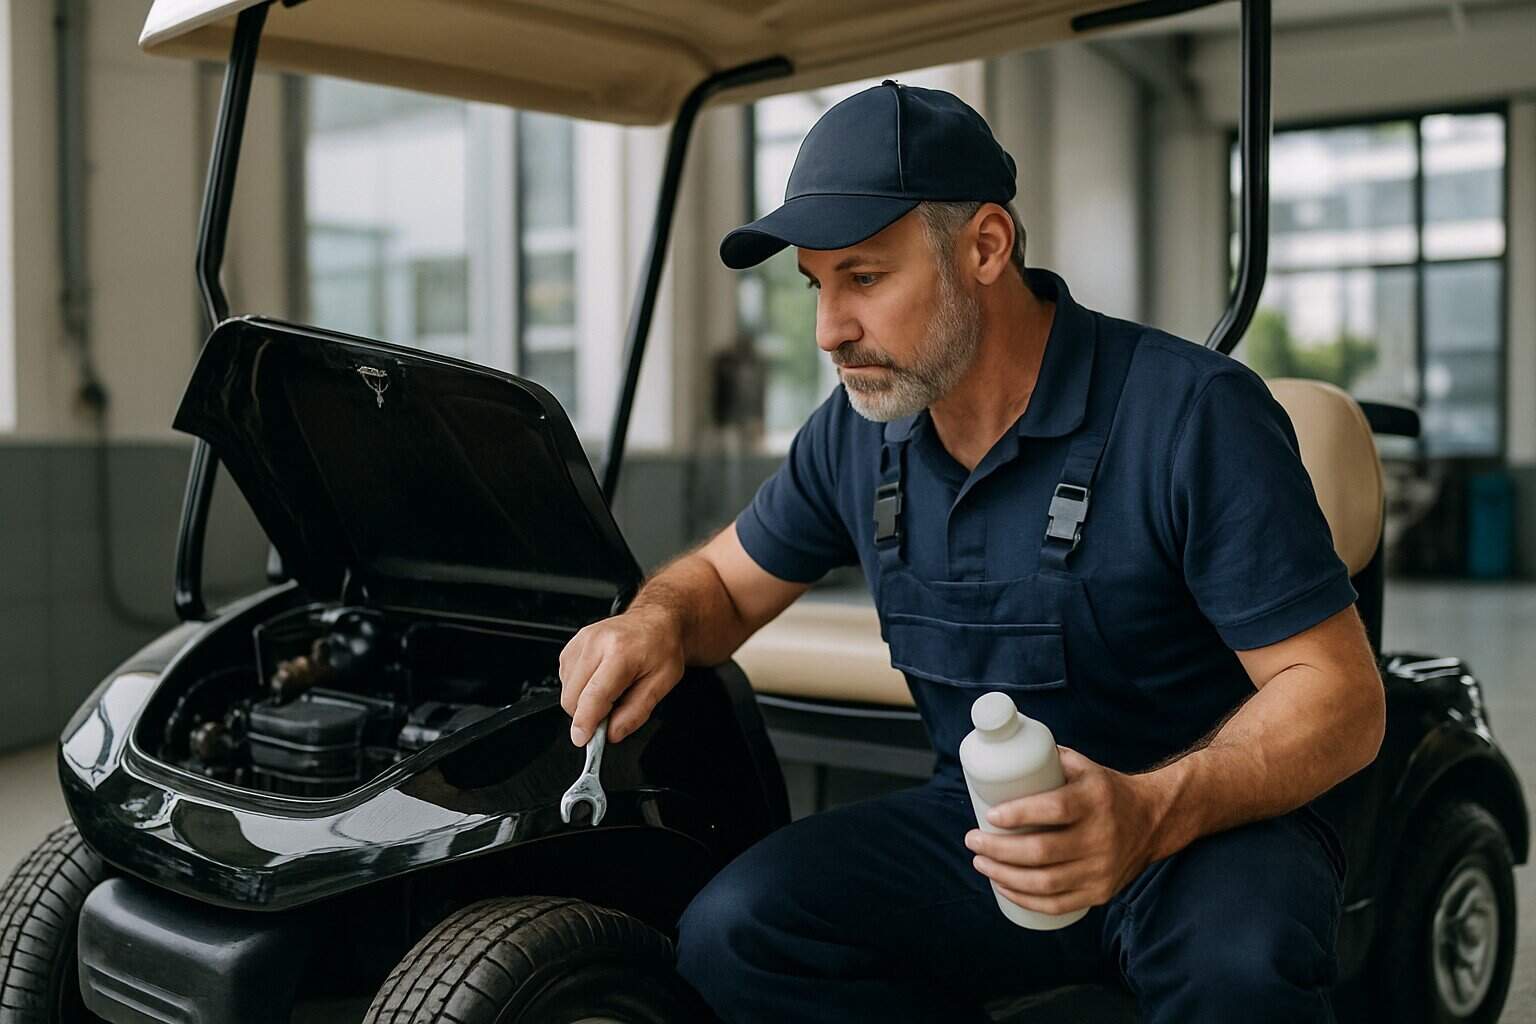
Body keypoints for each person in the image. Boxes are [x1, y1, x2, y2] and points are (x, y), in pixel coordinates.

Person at [556, 80, 1384, 1023]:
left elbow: (1340, 697)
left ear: (985, 246)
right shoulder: (859, 433)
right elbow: (722, 586)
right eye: (818, 286)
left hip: (1206, 828)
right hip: (987, 825)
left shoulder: (1191, 414)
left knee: (1242, 971)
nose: (829, 330)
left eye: (864, 278)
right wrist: (654, 620)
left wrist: (1149, 811)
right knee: (738, 931)